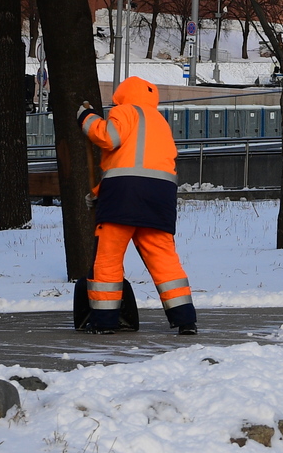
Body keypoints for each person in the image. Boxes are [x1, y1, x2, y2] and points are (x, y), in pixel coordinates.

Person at [77, 77, 197, 334]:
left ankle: (105, 321)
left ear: (122, 95)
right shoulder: (160, 123)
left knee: (108, 258)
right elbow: (140, 164)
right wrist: (100, 192)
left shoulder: (124, 111)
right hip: (160, 197)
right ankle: (185, 320)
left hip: (123, 196)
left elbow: (109, 138)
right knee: (164, 259)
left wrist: (86, 118)